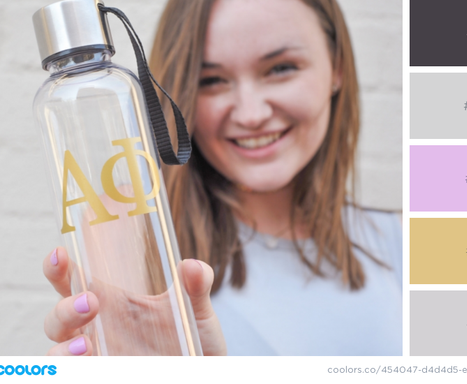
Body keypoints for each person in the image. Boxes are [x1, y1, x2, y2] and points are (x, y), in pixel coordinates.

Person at [42, 0, 401, 356]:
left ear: (337, 67)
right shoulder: (132, 225)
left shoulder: (407, 241)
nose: (251, 114)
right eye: (211, 80)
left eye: (281, 68)